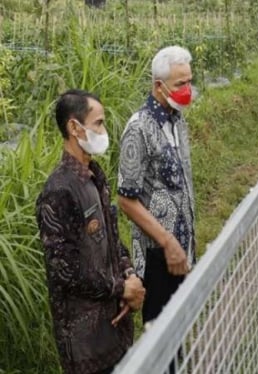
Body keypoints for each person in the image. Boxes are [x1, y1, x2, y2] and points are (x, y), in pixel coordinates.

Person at [36, 89, 145, 374]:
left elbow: (111, 238)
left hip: (115, 325)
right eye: (98, 123)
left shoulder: (95, 176)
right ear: (74, 127)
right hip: (85, 344)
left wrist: (129, 275)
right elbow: (65, 270)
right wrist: (121, 288)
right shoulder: (59, 191)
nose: (103, 130)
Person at [118, 45, 196, 325]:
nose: (188, 89)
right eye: (180, 84)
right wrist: (167, 241)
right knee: (160, 333)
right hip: (157, 253)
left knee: (179, 327)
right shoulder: (138, 129)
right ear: (159, 86)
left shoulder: (177, 120)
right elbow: (126, 199)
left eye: (189, 81)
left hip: (182, 247)